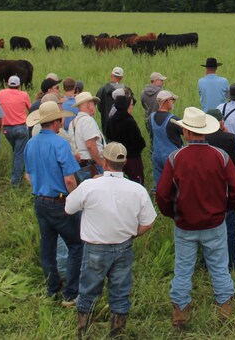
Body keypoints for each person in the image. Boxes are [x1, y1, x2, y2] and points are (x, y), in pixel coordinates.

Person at [156, 107, 235, 330]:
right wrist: (227, 208)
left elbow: (162, 193)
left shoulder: (176, 158)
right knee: (219, 266)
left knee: (183, 268)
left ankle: (180, 313)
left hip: (185, 224)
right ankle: (225, 310)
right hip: (215, 222)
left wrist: (172, 213)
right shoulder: (220, 156)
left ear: (186, 132)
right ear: (204, 131)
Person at [67, 142, 157, 339]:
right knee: (120, 292)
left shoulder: (90, 186)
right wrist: (132, 234)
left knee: (88, 291)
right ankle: (117, 334)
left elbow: (68, 208)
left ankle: (84, 332)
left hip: (95, 248)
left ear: (105, 162)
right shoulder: (137, 190)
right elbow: (148, 222)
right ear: (123, 163)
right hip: (124, 246)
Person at [24, 101, 83, 306]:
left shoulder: (31, 144)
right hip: (60, 202)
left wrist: (41, 185)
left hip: (40, 201)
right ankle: (71, 293)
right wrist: (75, 200)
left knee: (47, 247)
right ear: (56, 122)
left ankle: (52, 288)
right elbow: (69, 179)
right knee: (76, 245)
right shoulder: (60, 144)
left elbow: (27, 174)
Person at [204, 109, 235, 271]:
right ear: (221, 122)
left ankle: (206, 260)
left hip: (207, 189)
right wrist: (229, 134)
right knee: (229, 227)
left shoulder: (202, 139)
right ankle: (233, 261)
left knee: (207, 226)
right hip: (227, 188)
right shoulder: (230, 138)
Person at [0, 75, 31, 187]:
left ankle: (18, 175)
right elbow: (30, 108)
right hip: (21, 128)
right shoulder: (24, 95)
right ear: (19, 85)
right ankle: (16, 181)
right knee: (19, 154)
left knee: (16, 152)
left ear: (7, 84)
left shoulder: (1, 93)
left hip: (7, 129)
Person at [108, 95, 147, 185]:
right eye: (131, 105)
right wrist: (141, 145)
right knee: (136, 181)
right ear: (126, 106)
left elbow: (109, 135)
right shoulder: (129, 121)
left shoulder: (111, 119)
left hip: (117, 157)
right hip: (132, 157)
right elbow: (138, 141)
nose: (132, 107)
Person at [149, 90, 182, 191]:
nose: (173, 103)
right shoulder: (174, 119)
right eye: (172, 100)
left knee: (159, 186)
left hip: (156, 155)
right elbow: (186, 133)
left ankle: (158, 204)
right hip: (172, 156)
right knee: (175, 185)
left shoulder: (152, 117)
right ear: (167, 101)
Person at [69, 92, 105, 181]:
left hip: (80, 166)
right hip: (92, 166)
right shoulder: (88, 121)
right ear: (89, 104)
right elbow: (91, 145)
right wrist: (101, 164)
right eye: (94, 103)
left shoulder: (73, 122)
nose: (95, 106)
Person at [96, 67, 125, 135]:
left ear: (111, 75)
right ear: (121, 78)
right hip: (121, 124)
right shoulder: (125, 90)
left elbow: (99, 107)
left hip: (106, 124)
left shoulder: (102, 90)